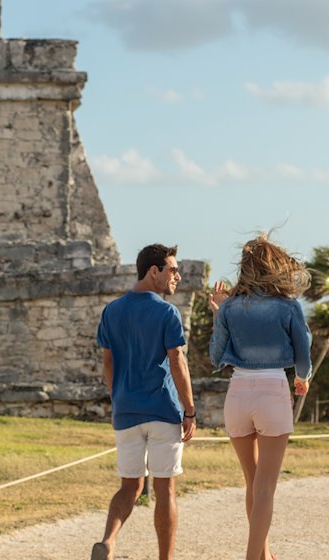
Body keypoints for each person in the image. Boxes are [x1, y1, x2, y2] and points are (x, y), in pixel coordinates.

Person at [207, 233, 313, 560]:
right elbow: (304, 352)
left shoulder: (229, 307)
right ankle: (254, 557)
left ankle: (264, 554)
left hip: (237, 394)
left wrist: (218, 313)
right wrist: (302, 378)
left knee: (252, 483)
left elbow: (215, 357)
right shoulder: (288, 306)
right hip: (272, 391)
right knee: (265, 487)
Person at [91, 243, 197, 560]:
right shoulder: (166, 312)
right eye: (173, 270)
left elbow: (108, 363)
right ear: (154, 271)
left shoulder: (112, 310)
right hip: (163, 410)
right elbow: (177, 361)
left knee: (130, 486)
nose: (178, 276)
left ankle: (108, 541)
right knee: (164, 489)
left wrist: (118, 396)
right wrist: (190, 410)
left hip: (126, 411)